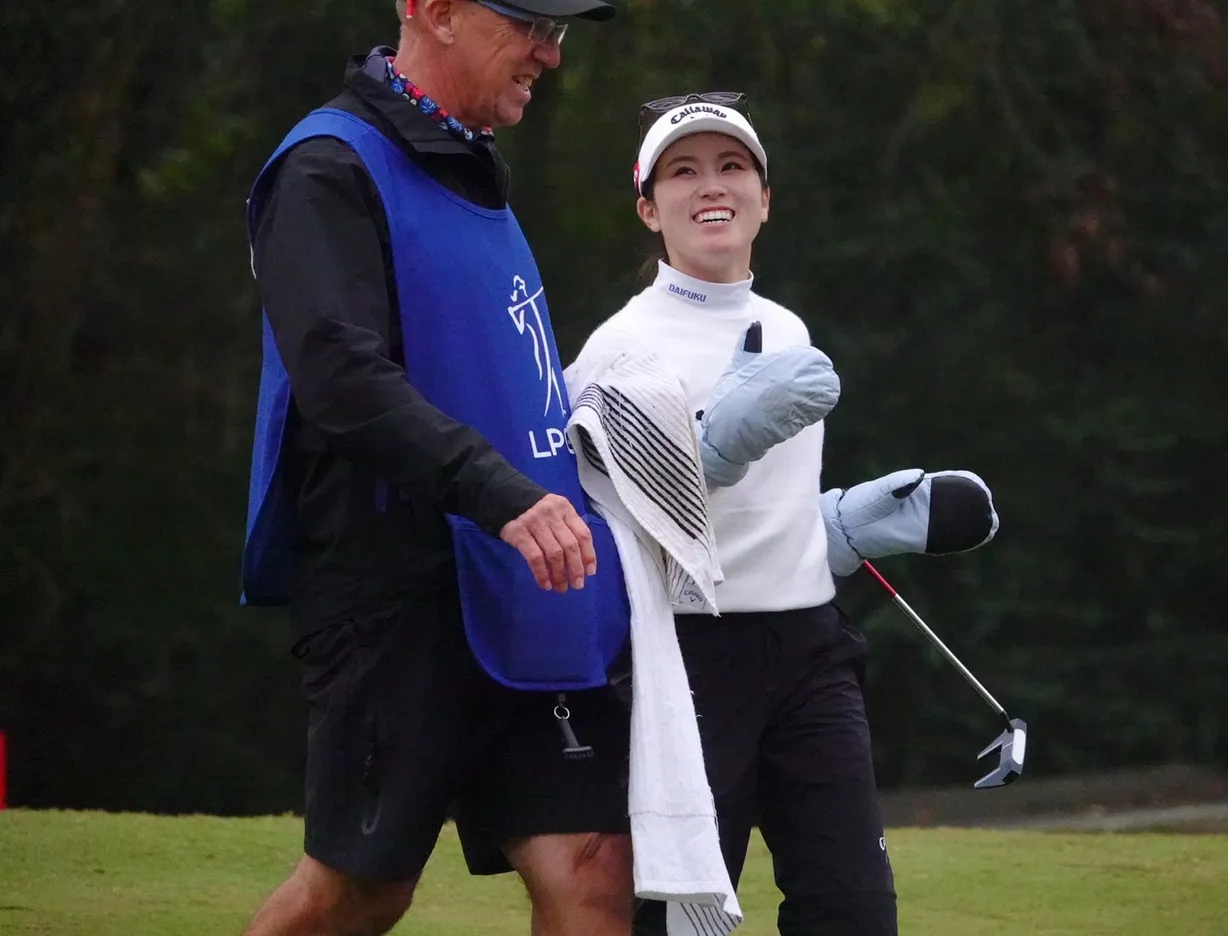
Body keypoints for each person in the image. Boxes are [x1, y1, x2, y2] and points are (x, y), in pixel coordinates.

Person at [236, 3, 640, 935]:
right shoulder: (325, 167)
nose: (549, 53)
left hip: (529, 586)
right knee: (361, 890)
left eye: (560, 30)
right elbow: (338, 376)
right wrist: (499, 493)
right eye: (529, 21)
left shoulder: (474, 168)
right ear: (430, 8)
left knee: (595, 871)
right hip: (397, 587)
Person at [569, 94, 999, 936]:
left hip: (811, 649)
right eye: (682, 172)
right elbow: (620, 522)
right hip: (688, 659)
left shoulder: (787, 329)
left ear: (765, 199)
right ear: (648, 208)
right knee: (681, 920)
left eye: (732, 166)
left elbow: (774, 507)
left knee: (853, 911)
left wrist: (841, 527)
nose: (711, 185)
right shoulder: (619, 347)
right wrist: (712, 446)